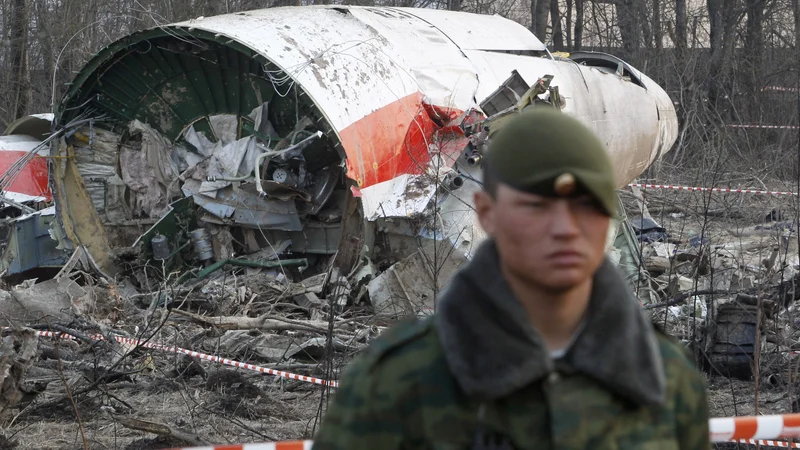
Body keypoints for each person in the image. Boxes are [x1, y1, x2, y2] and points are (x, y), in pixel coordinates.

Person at [312, 108, 710, 450]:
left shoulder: (666, 375)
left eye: (586, 205)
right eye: (536, 207)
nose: (564, 228)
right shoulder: (398, 383)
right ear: (487, 212)